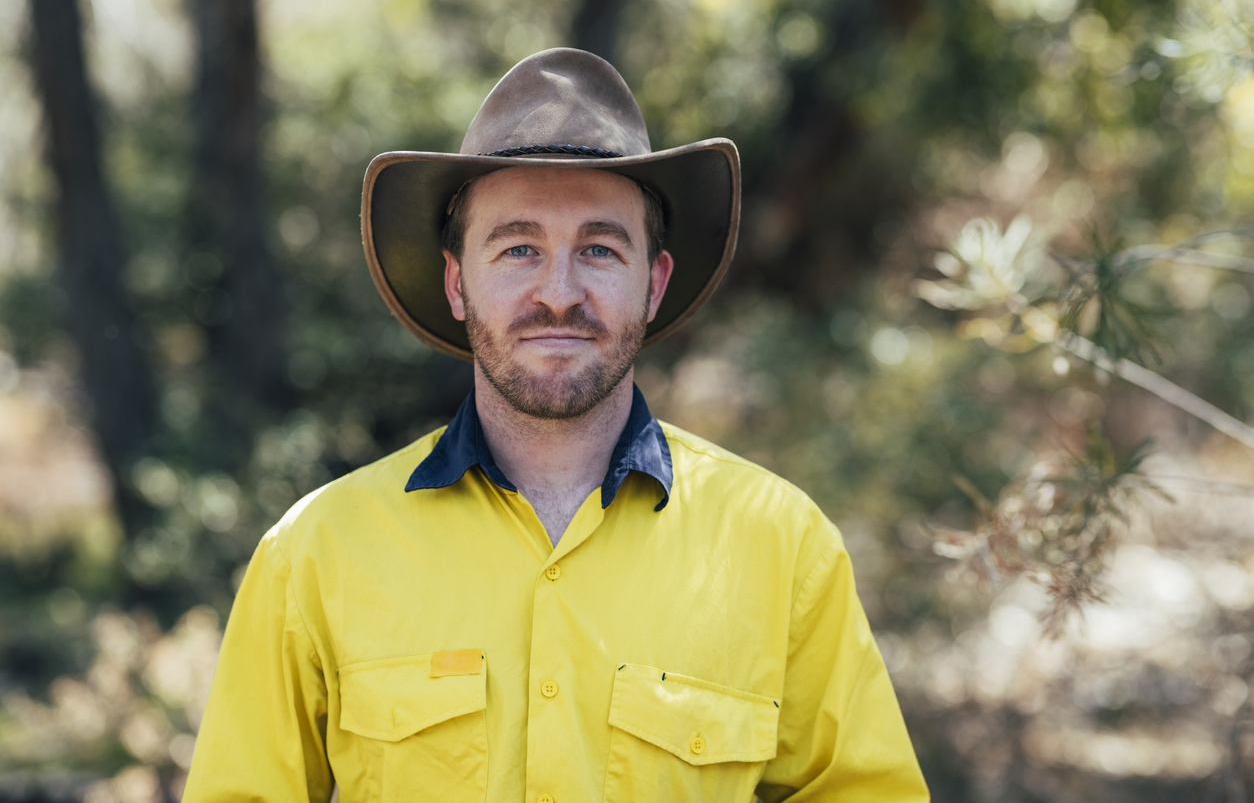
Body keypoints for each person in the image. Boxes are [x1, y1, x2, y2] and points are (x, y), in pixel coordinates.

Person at [184, 48, 929, 803]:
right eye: (518, 249)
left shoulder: (783, 547)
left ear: (654, 284)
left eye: (600, 249)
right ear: (457, 282)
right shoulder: (313, 555)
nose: (559, 293)